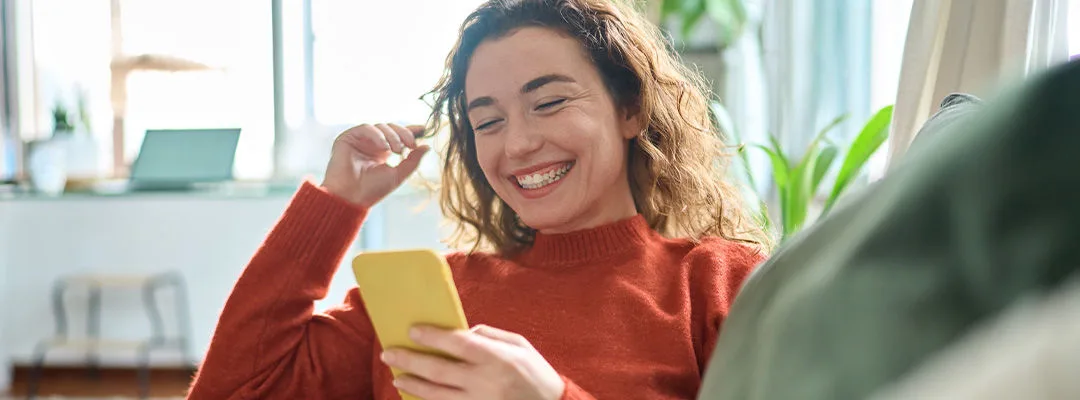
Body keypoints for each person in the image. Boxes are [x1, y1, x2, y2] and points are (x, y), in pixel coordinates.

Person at [187, 0, 769, 399]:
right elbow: (235, 390)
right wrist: (336, 204)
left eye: (548, 103)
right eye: (486, 121)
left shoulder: (718, 286)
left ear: (630, 109)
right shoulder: (427, 304)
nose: (517, 144)